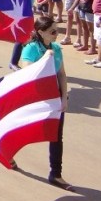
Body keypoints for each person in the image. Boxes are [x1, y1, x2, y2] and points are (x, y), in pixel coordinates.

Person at [18, 16, 73, 190]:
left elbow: (61, 74)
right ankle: (6, 150)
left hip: (54, 98)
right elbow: (28, 73)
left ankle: (56, 174)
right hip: (35, 100)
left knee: (56, 136)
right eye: (53, 31)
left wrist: (64, 97)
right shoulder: (30, 49)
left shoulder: (56, 48)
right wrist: (44, 59)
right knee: (23, 130)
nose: (57, 34)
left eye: (57, 30)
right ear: (41, 32)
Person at [6, 0, 46, 69]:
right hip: (17, 11)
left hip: (28, 11)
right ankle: (13, 62)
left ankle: (26, 60)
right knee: (22, 36)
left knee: (28, 37)